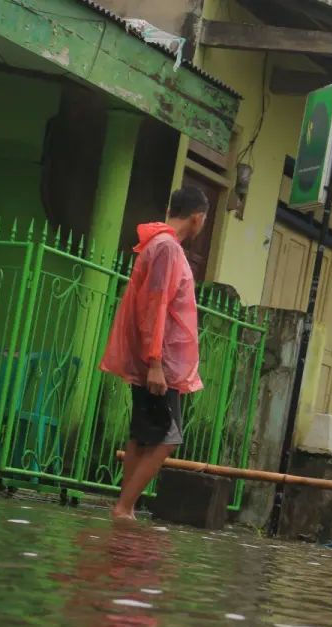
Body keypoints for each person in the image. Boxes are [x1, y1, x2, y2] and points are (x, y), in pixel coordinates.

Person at [100, 187, 208, 520]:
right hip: (160, 363)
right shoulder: (167, 249)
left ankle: (125, 507)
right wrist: (156, 362)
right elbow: (155, 304)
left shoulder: (159, 245)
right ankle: (124, 507)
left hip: (156, 359)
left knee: (144, 435)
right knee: (167, 437)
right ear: (197, 217)